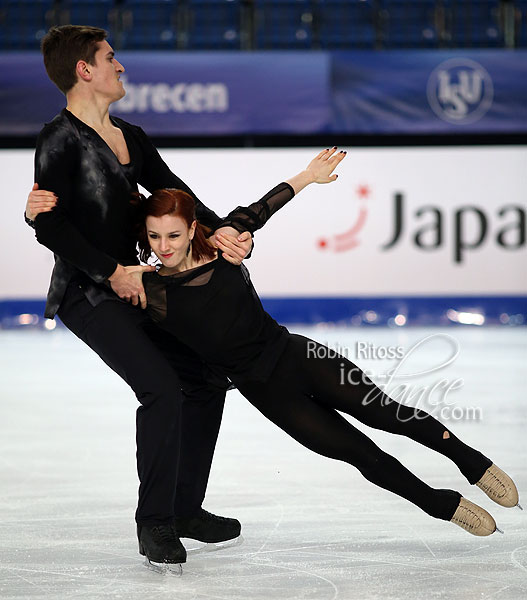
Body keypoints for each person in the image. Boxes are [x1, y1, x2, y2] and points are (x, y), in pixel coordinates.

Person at [125, 147, 522, 538]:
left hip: (299, 356)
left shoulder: (225, 242)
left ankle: (474, 463)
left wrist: (308, 176)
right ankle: (440, 504)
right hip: (266, 393)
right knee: (361, 454)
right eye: (155, 236)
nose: (165, 246)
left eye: (174, 234)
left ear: (193, 229)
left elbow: (263, 208)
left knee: (387, 414)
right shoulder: (150, 290)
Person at [24, 24, 253, 574]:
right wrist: (110, 271)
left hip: (134, 286)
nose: (119, 66)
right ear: (85, 70)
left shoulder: (131, 134)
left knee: (204, 380)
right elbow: (48, 226)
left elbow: (175, 190)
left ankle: (185, 509)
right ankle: (154, 523)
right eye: (110, 58)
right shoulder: (57, 139)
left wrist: (221, 231)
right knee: (162, 387)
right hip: (88, 293)